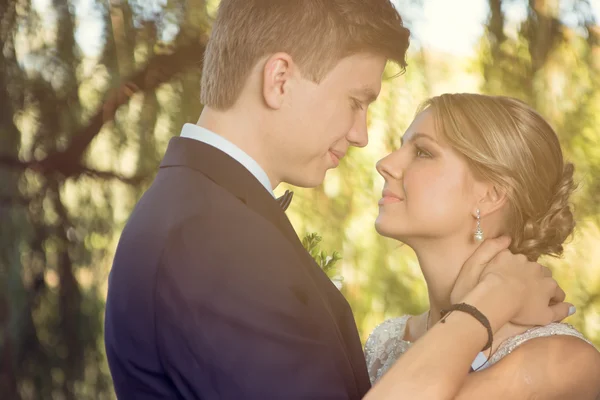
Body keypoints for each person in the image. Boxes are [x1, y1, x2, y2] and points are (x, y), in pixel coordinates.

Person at [104, 1, 573, 399]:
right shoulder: (211, 240)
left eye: (424, 152)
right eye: (356, 100)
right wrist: (492, 302)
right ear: (280, 79)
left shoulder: (207, 217)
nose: (365, 139)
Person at [367, 93, 600, 399]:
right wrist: (489, 302)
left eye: (423, 152)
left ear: (490, 195)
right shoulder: (386, 343)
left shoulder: (563, 363)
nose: (385, 164)